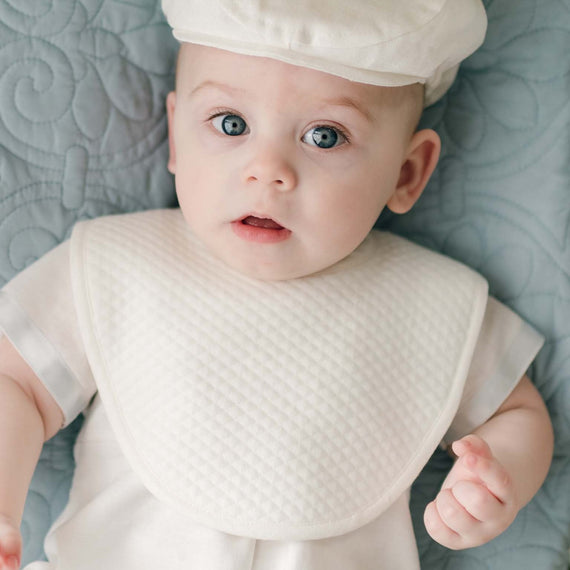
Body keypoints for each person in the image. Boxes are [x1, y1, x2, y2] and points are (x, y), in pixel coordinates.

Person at [0, 1, 553, 568]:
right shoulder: (114, 265)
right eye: (230, 124)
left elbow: (517, 415)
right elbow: (13, 383)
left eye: (324, 136)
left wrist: (494, 474)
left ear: (407, 173)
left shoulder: (432, 301)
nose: (268, 169)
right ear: (174, 134)